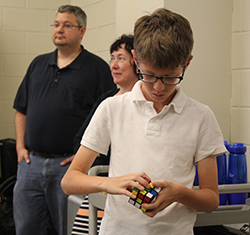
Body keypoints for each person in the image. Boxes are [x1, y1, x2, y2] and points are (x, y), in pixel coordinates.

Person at [61, 8, 226, 235]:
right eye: (148, 75)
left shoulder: (201, 116)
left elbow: (210, 200)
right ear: (136, 60)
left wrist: (179, 193)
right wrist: (111, 183)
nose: (159, 87)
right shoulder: (112, 108)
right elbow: (70, 181)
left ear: (187, 64)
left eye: (170, 77)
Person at [13, 5, 116, 235]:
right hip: (31, 165)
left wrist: (83, 157)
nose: (59, 29)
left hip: (69, 169)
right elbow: (21, 109)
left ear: (82, 31)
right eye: (56, 24)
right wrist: (20, 147)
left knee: (67, 229)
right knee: (27, 228)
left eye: (67, 25)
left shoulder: (97, 69)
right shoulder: (38, 64)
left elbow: (109, 120)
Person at [71, 34, 138, 234]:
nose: (114, 65)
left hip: (128, 193)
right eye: (112, 58)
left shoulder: (143, 104)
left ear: (137, 62)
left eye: (121, 58)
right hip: (99, 186)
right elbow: (79, 142)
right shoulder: (106, 100)